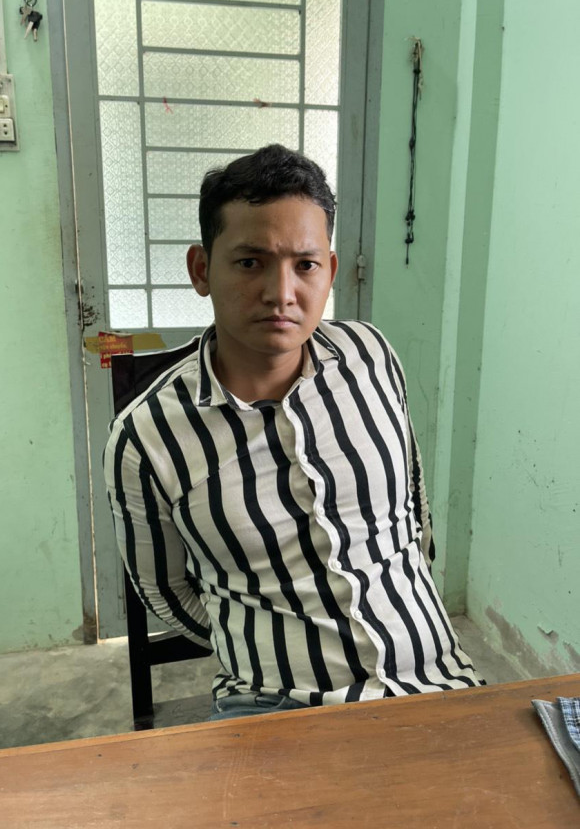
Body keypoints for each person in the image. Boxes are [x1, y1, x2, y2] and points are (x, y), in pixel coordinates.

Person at [104, 144, 484, 721]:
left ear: (329, 270)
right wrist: (261, 637)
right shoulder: (146, 438)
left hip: (436, 677)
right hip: (274, 704)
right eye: (249, 262)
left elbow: (414, 509)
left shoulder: (371, 356)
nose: (281, 293)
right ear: (201, 270)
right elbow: (166, 592)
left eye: (305, 265)